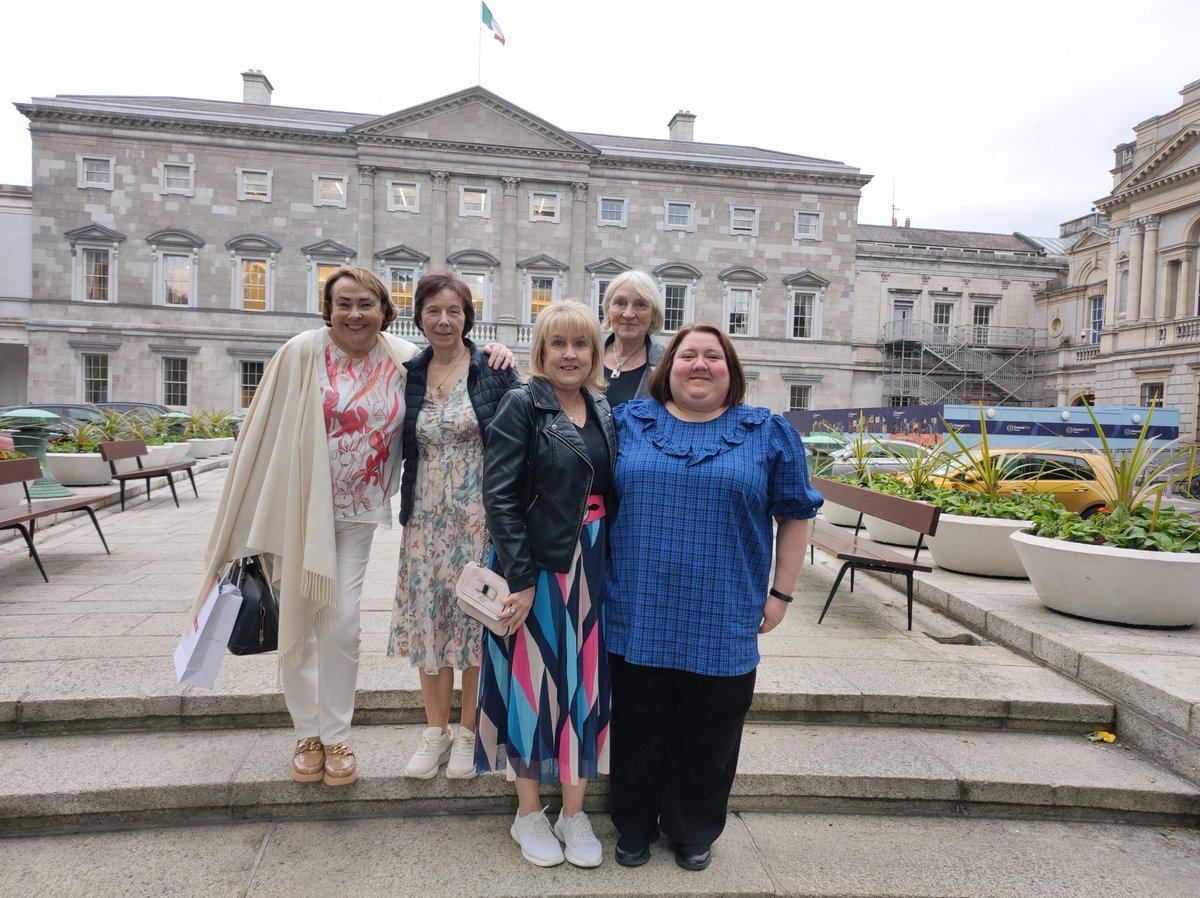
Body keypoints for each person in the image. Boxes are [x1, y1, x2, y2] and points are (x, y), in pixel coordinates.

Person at [189, 266, 511, 788]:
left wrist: (498, 348)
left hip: (359, 515)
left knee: (340, 623)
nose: (355, 314)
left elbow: (455, 354)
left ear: (385, 311)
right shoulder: (302, 351)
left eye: (366, 304)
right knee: (298, 621)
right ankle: (308, 734)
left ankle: (337, 734)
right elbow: (262, 430)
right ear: (328, 309)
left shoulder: (402, 358)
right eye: (344, 304)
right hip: (297, 513)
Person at [603, 323, 823, 871]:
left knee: (710, 731)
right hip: (637, 607)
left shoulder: (768, 432)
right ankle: (633, 823)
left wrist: (781, 595)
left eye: (713, 357)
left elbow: (796, 516)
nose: (699, 365)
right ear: (666, 368)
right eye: (687, 356)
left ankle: (693, 827)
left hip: (724, 610)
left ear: (731, 371)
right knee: (638, 723)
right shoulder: (626, 424)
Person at [477, 299, 616, 869]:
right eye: (558, 343)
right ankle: (528, 812)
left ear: (594, 352)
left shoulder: (602, 407)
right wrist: (523, 578)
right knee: (533, 687)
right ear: (541, 350)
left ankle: (574, 812)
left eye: (580, 343)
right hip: (537, 565)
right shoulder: (521, 404)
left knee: (584, 686)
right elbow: (500, 497)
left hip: (594, 562)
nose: (570, 354)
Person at [389, 272, 518, 780]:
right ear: (418, 316)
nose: (444, 321)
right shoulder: (409, 371)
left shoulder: (492, 369)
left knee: (473, 621)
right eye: (433, 311)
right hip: (423, 521)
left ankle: (469, 732)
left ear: (468, 318)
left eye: (454, 312)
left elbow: (521, 435)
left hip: (477, 521)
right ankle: (434, 730)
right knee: (430, 625)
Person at [600, 270, 666, 407]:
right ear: (608, 308)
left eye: (640, 304)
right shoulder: (588, 356)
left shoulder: (667, 364)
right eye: (620, 303)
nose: (628, 314)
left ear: (654, 314)